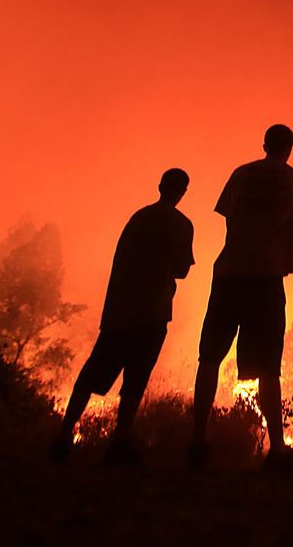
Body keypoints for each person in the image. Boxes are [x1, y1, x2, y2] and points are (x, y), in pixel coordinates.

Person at [51, 168, 195, 465]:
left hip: (120, 310)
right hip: (152, 313)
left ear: (159, 186)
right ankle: (119, 442)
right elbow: (182, 269)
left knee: (92, 374)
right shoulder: (181, 224)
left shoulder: (138, 218)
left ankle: (64, 436)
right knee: (135, 381)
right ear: (183, 192)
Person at [189, 124, 293, 471]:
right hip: (267, 277)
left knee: (209, 357)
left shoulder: (241, 174)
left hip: (229, 273)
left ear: (264, 144)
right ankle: (276, 449)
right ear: (289, 147)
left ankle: (198, 442)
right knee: (269, 366)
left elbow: (228, 215)